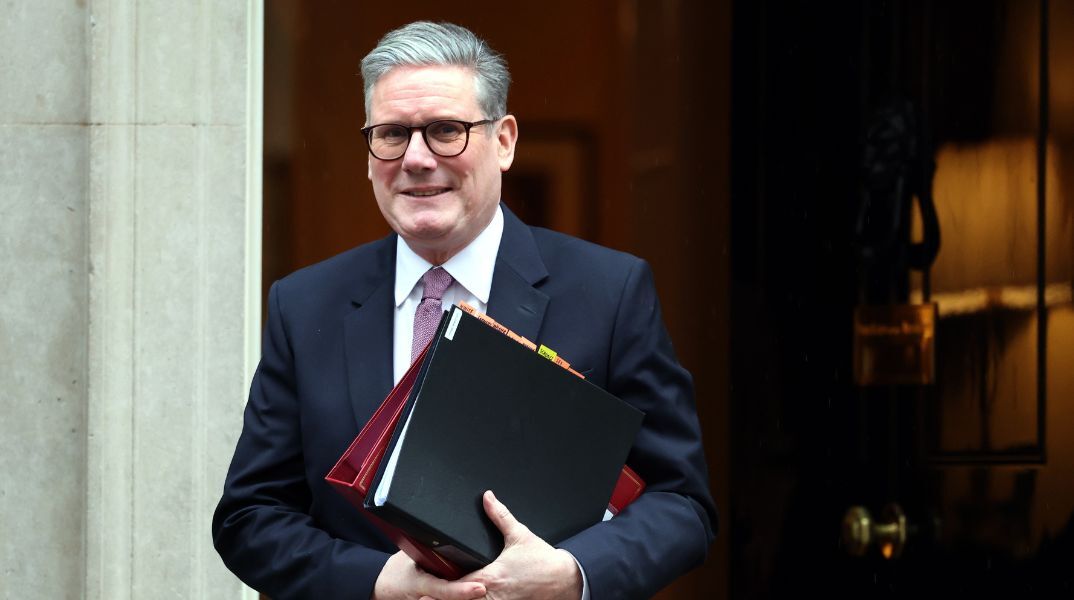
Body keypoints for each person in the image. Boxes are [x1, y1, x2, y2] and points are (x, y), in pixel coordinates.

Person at [213, 21, 716, 600]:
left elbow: (681, 504)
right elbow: (250, 517)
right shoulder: (305, 305)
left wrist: (569, 574)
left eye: (446, 131)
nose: (416, 158)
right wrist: (377, 582)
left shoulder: (609, 292)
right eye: (392, 134)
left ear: (504, 141)